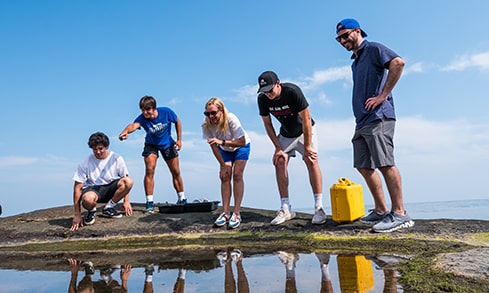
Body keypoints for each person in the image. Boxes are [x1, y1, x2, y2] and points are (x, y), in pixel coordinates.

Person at [335, 18, 414, 232]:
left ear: (358, 31)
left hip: (379, 116)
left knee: (385, 163)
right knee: (363, 165)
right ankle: (381, 210)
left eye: (345, 35)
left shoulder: (374, 49)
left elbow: (398, 63)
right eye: (339, 38)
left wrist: (383, 95)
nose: (342, 41)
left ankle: (399, 213)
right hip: (362, 121)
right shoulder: (356, 61)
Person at [257, 71, 326, 225]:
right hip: (286, 134)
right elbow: (267, 125)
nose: (267, 94)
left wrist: (308, 146)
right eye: (264, 91)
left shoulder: (292, 91)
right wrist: (277, 148)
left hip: (305, 131)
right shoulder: (262, 99)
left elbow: (306, 119)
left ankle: (319, 207)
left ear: (278, 83)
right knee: (279, 161)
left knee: (311, 160)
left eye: (270, 90)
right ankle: (285, 208)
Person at [119, 95, 187, 214]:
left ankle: (182, 198)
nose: (145, 113)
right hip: (151, 145)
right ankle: (150, 202)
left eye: (147, 110)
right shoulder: (142, 118)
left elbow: (177, 121)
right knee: (150, 169)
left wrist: (179, 139)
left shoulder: (166, 112)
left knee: (175, 171)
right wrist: (125, 131)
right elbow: (134, 125)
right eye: (142, 110)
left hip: (167, 144)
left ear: (154, 108)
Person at [202, 97, 251, 229]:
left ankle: (236, 212)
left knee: (237, 175)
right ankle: (225, 212)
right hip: (224, 150)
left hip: (241, 146)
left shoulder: (231, 119)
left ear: (221, 111)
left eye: (213, 113)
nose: (210, 116)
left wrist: (222, 142)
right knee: (225, 176)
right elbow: (213, 146)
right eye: (207, 113)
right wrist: (223, 165)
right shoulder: (206, 125)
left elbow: (241, 141)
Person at [71, 132, 133, 231]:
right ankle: (92, 211)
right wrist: (77, 214)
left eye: (100, 148)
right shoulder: (85, 162)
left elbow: (124, 178)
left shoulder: (117, 158)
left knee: (128, 181)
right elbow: (77, 188)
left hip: (111, 188)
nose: (98, 152)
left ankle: (109, 207)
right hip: (93, 189)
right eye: (95, 149)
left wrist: (126, 201)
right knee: (88, 198)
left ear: (106, 146)